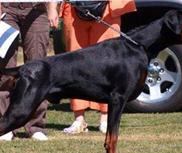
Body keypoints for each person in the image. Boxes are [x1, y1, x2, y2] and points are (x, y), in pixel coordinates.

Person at [48, 0, 136, 134]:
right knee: (74, 65)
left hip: (108, 9)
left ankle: (106, 118)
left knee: (109, 64)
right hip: (73, 9)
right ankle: (79, 119)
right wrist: (53, 7)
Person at [0, 2, 50, 141]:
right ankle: (5, 125)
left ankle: (36, 126)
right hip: (6, 9)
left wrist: (52, 9)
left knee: (38, 72)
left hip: (37, 10)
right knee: (5, 70)